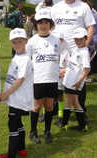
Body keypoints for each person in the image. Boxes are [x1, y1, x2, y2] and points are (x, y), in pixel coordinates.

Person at [51, 0, 95, 130]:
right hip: (59, 52)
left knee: (78, 84)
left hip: (77, 51)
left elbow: (90, 27)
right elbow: (51, 28)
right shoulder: (56, 7)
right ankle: (55, 112)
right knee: (57, 82)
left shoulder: (83, 7)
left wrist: (85, 46)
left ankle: (81, 112)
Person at [26, 9, 62, 144]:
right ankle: (33, 132)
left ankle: (47, 132)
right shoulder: (32, 41)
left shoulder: (56, 40)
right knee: (36, 107)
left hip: (52, 79)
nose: (43, 25)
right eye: (40, 22)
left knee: (49, 107)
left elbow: (57, 57)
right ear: (36, 25)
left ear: (50, 24)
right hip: (38, 79)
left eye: (46, 22)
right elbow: (28, 60)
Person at [0, 28, 33, 158]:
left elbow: (20, 79)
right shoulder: (17, 56)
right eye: (14, 42)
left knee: (12, 123)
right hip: (15, 97)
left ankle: (11, 154)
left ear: (26, 41)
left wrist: (6, 93)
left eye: (20, 41)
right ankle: (21, 149)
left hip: (19, 97)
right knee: (17, 122)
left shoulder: (25, 59)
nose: (17, 44)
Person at [60, 28, 91, 132]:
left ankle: (64, 124)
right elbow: (73, 65)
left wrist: (79, 81)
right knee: (75, 102)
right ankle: (82, 126)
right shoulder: (77, 49)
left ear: (85, 38)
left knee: (68, 102)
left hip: (74, 82)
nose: (78, 41)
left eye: (80, 39)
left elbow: (87, 69)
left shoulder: (84, 52)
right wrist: (64, 71)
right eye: (76, 39)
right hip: (70, 80)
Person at [83, 2, 97, 83]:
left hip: (91, 41)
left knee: (89, 60)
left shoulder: (89, 16)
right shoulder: (96, 15)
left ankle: (88, 77)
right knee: (96, 60)